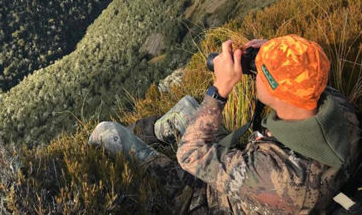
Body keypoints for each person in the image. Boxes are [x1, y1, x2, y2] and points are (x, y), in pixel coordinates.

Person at [89, 34, 361, 214]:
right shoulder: (340, 111)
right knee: (188, 107)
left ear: (277, 91)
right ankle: (148, 132)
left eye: (260, 72)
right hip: (250, 172)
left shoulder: (280, 178)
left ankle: (119, 146)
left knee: (107, 132)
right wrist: (273, 54)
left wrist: (220, 89)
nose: (254, 73)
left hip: (209, 198)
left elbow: (190, 155)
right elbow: (306, 75)